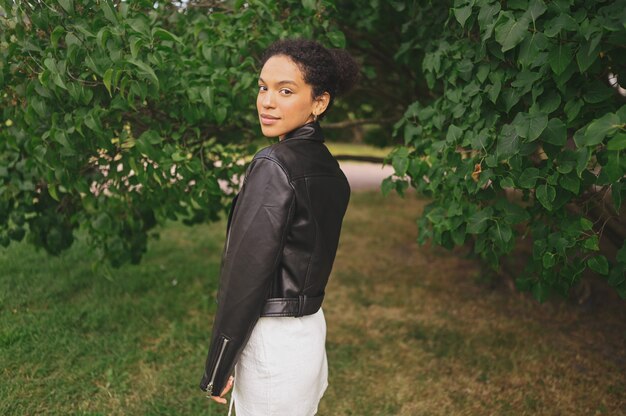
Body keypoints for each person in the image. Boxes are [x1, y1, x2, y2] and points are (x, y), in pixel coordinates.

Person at [199, 38, 359, 416]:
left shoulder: (274, 164)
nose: (267, 102)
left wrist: (217, 366)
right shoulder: (330, 170)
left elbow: (245, 276)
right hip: (307, 336)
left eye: (285, 90)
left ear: (319, 102)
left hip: (271, 346)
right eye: (263, 87)